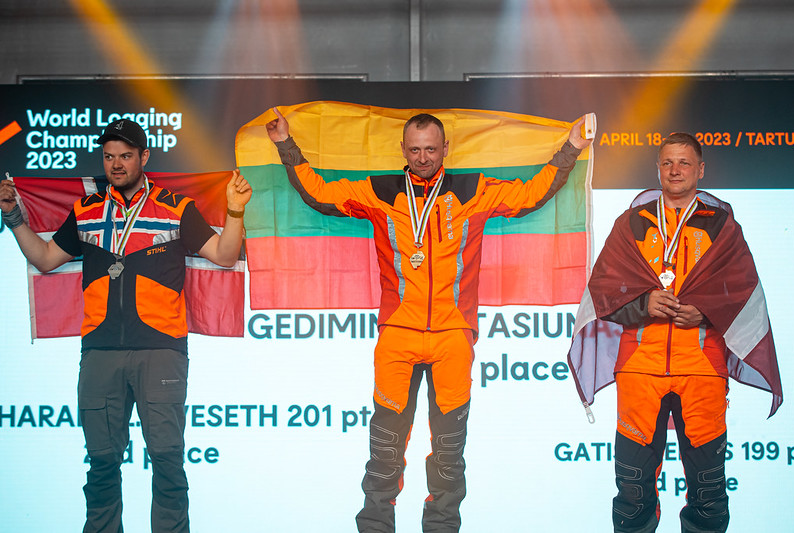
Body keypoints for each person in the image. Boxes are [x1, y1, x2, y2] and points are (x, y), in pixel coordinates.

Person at [265, 107, 594, 532]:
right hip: (398, 335)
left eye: (431, 150)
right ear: (402, 149)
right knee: (385, 451)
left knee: (449, 454)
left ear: (445, 148)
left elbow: (531, 194)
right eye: (415, 150)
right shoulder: (380, 191)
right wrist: (285, 144)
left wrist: (572, 146)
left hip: (453, 335)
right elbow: (319, 194)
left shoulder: (472, 190)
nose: (423, 158)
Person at [0, 118, 252, 533]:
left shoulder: (175, 208)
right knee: (101, 464)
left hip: (161, 352)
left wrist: (235, 209)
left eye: (125, 156)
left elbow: (225, 255)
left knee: (167, 460)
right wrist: (13, 216)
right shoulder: (86, 211)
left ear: (144, 157)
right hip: (100, 353)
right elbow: (44, 260)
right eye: (109, 157)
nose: (116, 164)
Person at [567, 132, 782, 533]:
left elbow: (742, 294)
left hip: (702, 368)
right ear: (658, 169)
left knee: (708, 491)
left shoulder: (722, 226)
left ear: (701, 169)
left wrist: (706, 312)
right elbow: (604, 293)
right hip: (639, 369)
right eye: (667, 162)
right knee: (632, 491)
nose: (675, 170)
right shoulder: (632, 223)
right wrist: (643, 304)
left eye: (684, 163)